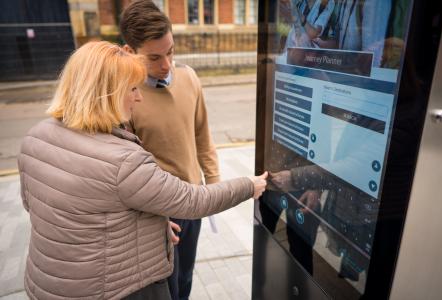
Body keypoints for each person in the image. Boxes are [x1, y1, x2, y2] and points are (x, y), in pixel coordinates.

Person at [17, 41, 268, 300]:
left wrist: (150, 224)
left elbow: (45, 208)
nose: (139, 97)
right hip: (114, 290)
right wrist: (250, 185)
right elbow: (194, 201)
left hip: (47, 285)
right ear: (107, 93)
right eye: (133, 89)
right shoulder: (123, 161)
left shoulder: (35, 139)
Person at [119, 1, 222, 299]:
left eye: (170, 52)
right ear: (129, 52)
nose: (166, 65)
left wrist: (213, 188)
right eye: (154, 57)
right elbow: (127, 170)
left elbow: (203, 136)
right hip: (158, 215)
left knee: (186, 278)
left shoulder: (189, 77)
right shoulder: (127, 97)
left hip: (194, 203)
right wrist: (154, 220)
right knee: (166, 287)